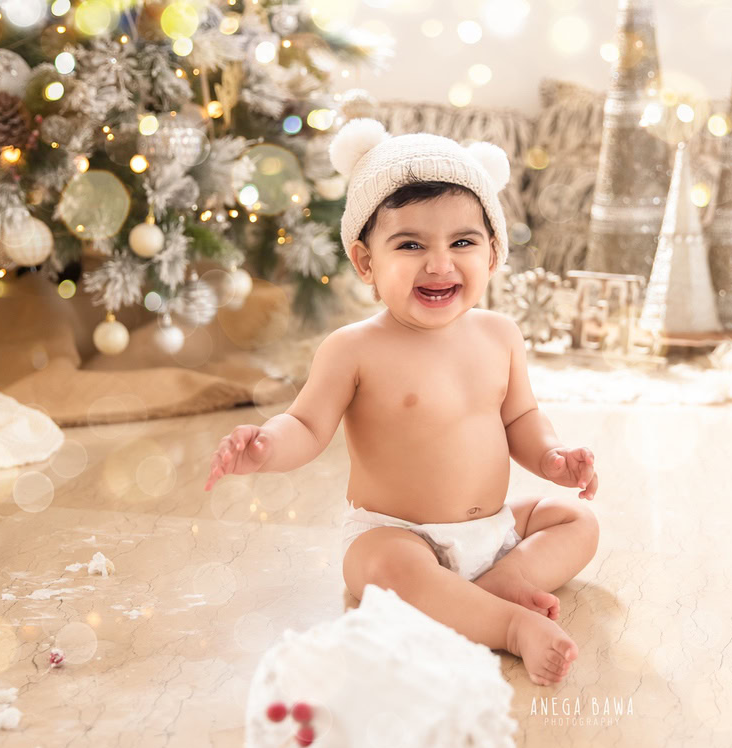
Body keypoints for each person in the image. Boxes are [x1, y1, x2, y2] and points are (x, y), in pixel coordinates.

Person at [204, 119, 600, 685]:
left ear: (492, 254)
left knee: (576, 520)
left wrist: (554, 457)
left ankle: (489, 588)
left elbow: (522, 420)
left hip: (492, 531)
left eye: (462, 242)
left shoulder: (500, 335)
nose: (439, 264)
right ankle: (507, 626)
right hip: (396, 533)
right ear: (366, 263)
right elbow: (307, 425)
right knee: (384, 567)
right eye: (410, 245)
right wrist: (265, 446)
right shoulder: (353, 349)